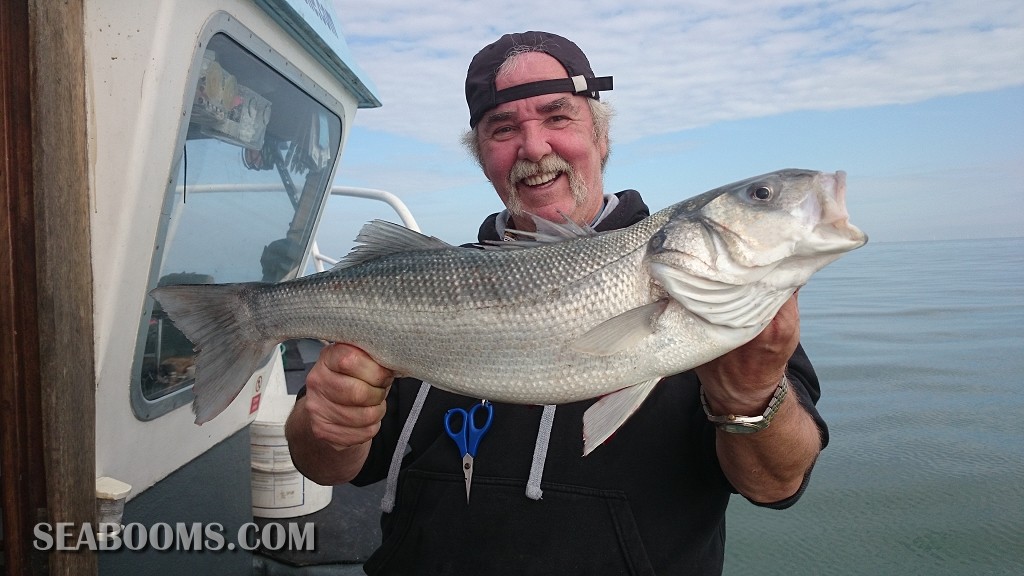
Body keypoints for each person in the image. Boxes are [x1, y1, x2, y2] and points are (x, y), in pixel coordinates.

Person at [285, 31, 826, 575]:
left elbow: (776, 483)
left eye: (557, 117)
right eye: (503, 129)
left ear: (602, 135)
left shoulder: (709, 286)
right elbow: (327, 467)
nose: (534, 148)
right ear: (483, 157)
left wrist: (751, 401)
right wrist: (324, 422)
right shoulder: (427, 283)